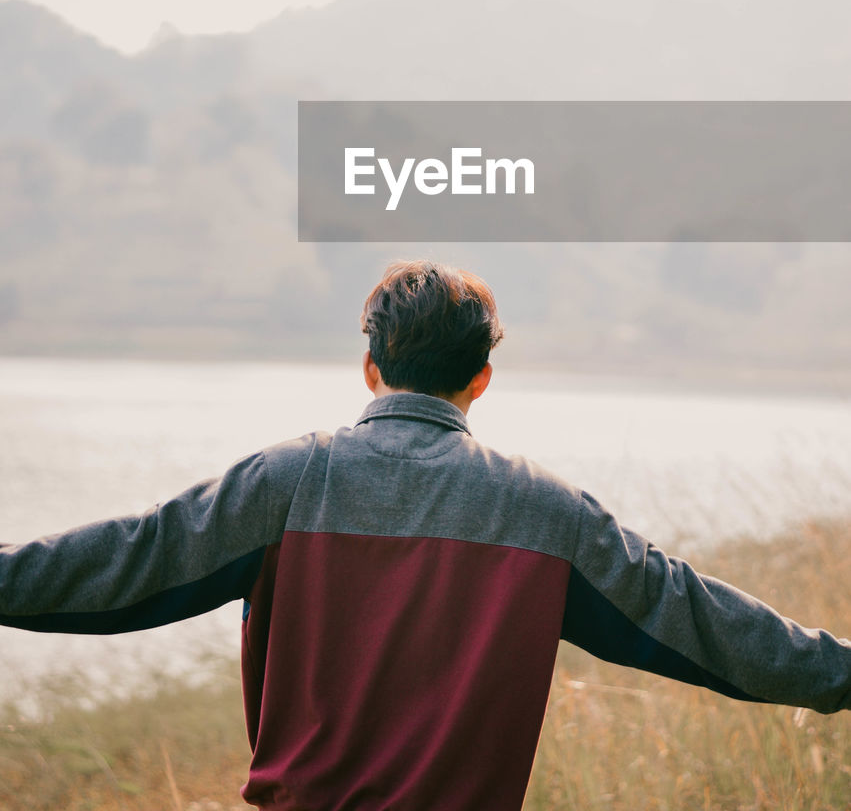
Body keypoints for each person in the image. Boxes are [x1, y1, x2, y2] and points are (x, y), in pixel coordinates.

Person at [1, 260, 849, 809]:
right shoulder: (548, 514)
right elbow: (701, 624)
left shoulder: (285, 483)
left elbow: (119, 565)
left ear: (370, 367)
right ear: (481, 379)